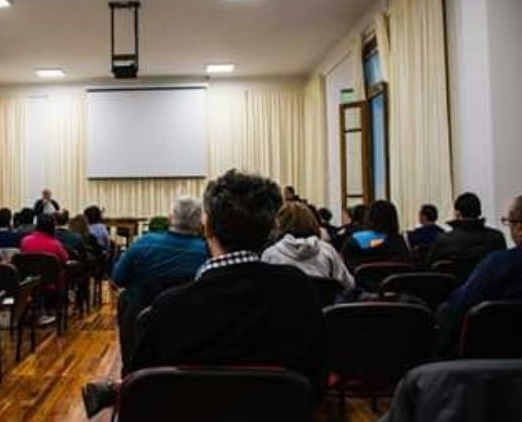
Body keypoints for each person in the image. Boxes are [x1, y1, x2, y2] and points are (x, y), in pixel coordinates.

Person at [82, 170, 326, 417]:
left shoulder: (167, 310)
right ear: (271, 228)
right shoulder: (299, 291)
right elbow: (316, 383)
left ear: (206, 227)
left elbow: (143, 397)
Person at [112, 196, 209, 372]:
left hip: (141, 324)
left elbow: (118, 278)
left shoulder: (144, 243)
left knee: (126, 297)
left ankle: (129, 373)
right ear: (199, 223)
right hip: (190, 328)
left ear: (170, 218)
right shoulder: (207, 251)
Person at [437, 196, 522, 356]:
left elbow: (457, 309)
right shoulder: (496, 238)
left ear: (519, 228)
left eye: (508, 222)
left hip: (493, 358)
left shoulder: (498, 264)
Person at [263, 202, 354, 290]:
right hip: (324, 305)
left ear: (279, 225)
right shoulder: (328, 251)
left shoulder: (270, 254)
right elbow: (349, 284)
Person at [427, 193, 506, 281]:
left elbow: (429, 268)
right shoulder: (497, 237)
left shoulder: (443, 240)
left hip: (451, 291)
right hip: (490, 292)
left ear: (457, 213)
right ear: (479, 212)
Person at [341, 200, 411, 271]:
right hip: (395, 282)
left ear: (369, 217)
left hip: (360, 281)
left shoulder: (353, 241)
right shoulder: (399, 243)